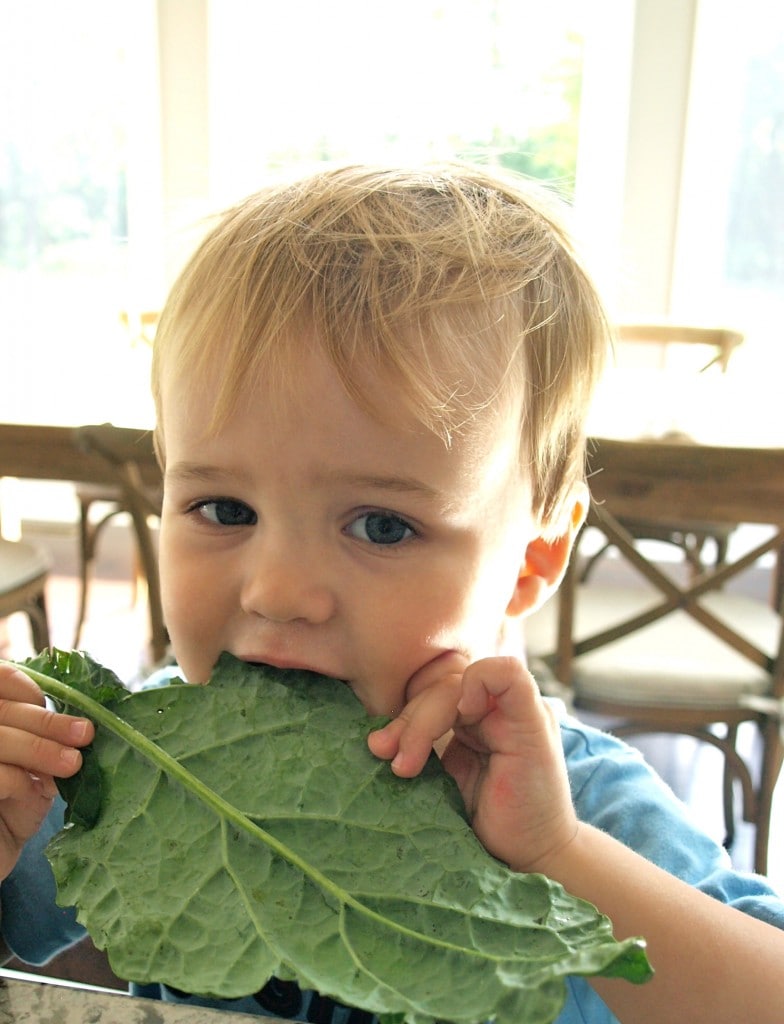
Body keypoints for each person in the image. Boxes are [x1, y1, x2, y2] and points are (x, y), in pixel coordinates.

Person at [1, 162, 783, 1024]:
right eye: (224, 508)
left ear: (533, 557)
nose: (279, 591)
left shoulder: (564, 800)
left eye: (381, 526)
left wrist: (559, 854)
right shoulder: (119, 763)